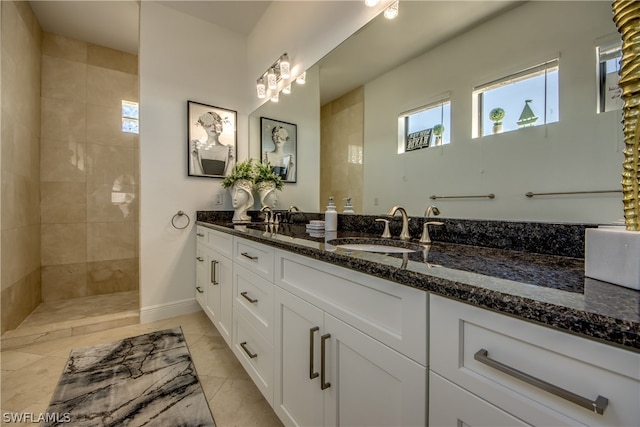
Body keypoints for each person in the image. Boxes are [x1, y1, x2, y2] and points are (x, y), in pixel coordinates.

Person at [191, 111, 235, 176]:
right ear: (204, 126)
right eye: (209, 124)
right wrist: (195, 157)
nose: (213, 127)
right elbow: (199, 178)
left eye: (216, 124)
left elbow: (227, 179)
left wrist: (231, 161)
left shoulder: (228, 150)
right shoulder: (198, 149)